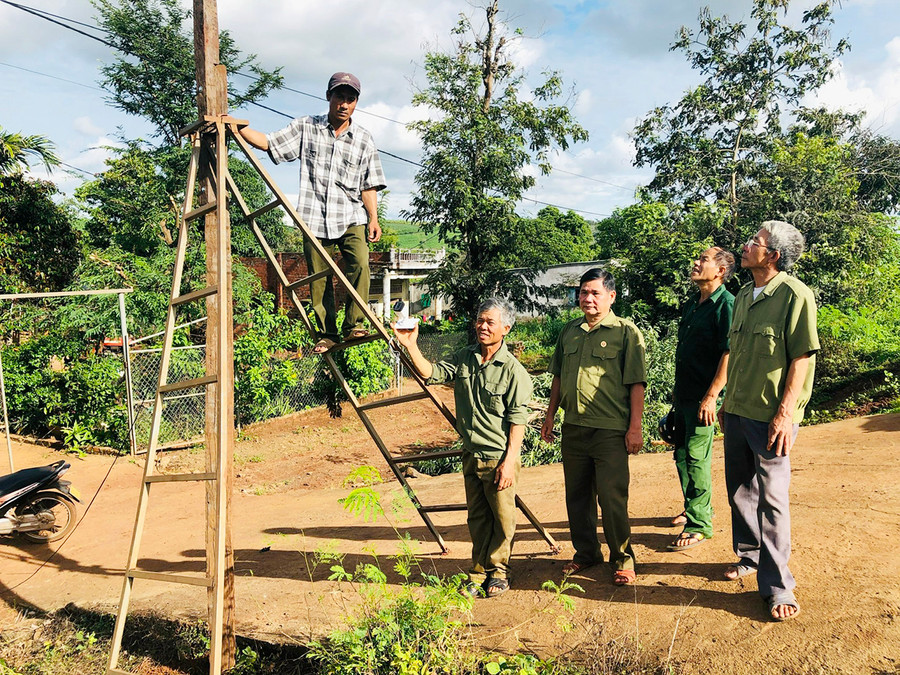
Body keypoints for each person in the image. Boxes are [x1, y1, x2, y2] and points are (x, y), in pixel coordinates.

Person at [392, 298, 532, 597]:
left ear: (505, 328)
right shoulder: (465, 358)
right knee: (478, 518)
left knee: (503, 518)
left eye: (490, 322)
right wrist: (411, 345)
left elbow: (518, 421)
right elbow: (431, 373)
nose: (482, 326)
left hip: (498, 457)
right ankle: (478, 571)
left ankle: (499, 572)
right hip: (471, 454)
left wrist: (510, 461)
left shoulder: (513, 371)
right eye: (480, 320)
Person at [240, 72, 387, 353]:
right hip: (314, 218)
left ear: (355, 103)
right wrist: (237, 129)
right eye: (339, 97)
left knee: (361, 264)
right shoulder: (306, 127)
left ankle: (354, 324)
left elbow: (369, 185)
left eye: (350, 99)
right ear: (328, 97)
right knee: (319, 278)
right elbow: (270, 143)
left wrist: (374, 218)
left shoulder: (364, 139)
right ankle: (328, 333)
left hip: (351, 217)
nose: (344, 104)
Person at [721, 220, 819, 622]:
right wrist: (725, 401)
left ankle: (778, 587)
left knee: (773, 501)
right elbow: (736, 353)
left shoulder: (795, 295)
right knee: (740, 489)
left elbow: (802, 356)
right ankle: (749, 556)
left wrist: (784, 413)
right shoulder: (744, 294)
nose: (746, 245)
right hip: (739, 409)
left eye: (755, 241)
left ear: (773, 255)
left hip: (770, 417)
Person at [540, 268, 646, 585]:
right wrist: (549, 415)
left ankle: (623, 559)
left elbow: (636, 383)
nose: (587, 298)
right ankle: (586, 554)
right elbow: (558, 376)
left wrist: (635, 428)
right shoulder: (569, 331)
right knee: (577, 497)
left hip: (610, 429)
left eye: (595, 293)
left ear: (611, 296)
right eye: (583, 292)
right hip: (573, 427)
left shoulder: (626, 332)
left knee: (612, 498)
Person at [666, 247, 735, 550]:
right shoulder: (694, 304)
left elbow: (729, 354)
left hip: (703, 397)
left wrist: (712, 397)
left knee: (696, 458)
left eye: (703, 259)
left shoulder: (727, 305)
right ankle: (694, 507)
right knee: (681, 455)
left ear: (720, 270)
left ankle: (699, 524)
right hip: (684, 394)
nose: (696, 262)